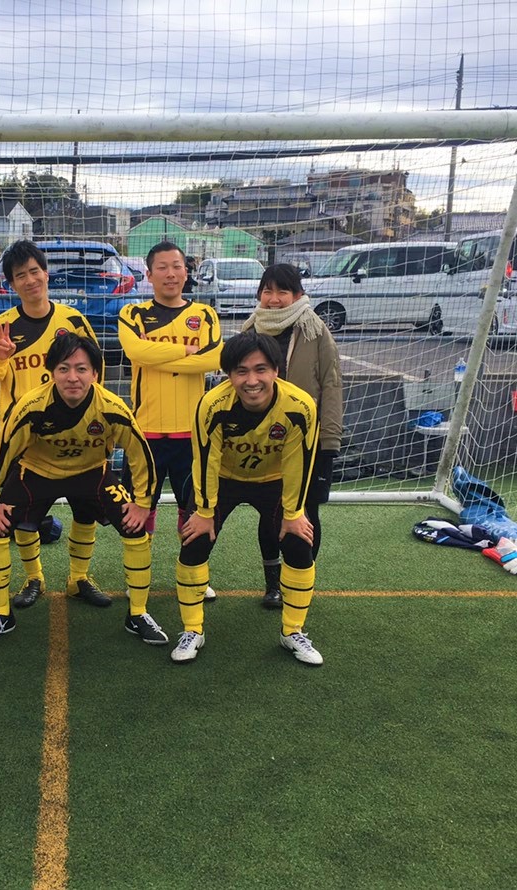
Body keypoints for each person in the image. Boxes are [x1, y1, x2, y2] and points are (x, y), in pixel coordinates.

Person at [0, 333, 168, 647]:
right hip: (37, 472)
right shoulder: (32, 406)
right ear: (52, 372)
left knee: (135, 529)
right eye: (64, 369)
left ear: (95, 373)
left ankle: (136, 612)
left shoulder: (111, 407)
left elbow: (140, 453)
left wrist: (143, 503)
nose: (72, 377)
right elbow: (2, 451)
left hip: (91, 473)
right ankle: (3, 612)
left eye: (81, 369)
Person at [171, 331, 323, 666]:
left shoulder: (300, 407)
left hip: (273, 481)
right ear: (229, 375)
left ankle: (292, 631)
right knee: (194, 541)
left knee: (299, 544)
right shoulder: (212, 405)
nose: (251, 381)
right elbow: (205, 461)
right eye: (241, 371)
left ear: (276, 371)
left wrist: (294, 512)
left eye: (260, 369)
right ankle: (193, 630)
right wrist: (205, 511)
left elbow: (299, 463)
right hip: (224, 480)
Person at [0, 239, 101, 610]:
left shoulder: (73, 321)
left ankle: (79, 578)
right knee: (23, 515)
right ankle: (34, 578)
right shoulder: (2, 327)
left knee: (85, 509)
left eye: (35, 272)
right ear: (12, 284)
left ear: (46, 274)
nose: (30, 280)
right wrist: (1, 358)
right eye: (21, 276)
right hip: (23, 437)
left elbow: (94, 369)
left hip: (74, 433)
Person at [117, 241, 223, 599]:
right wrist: (185, 351)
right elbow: (135, 350)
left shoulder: (204, 315)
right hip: (145, 433)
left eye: (177, 266)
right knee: (138, 511)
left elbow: (213, 359)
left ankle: (193, 575)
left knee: (192, 510)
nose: (171, 273)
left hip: (190, 433)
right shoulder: (133, 314)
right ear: (149, 275)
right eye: (162, 267)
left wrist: (157, 355)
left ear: (186, 272)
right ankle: (138, 579)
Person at [241, 263, 343, 608]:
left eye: (282, 291)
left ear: (298, 295)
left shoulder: (315, 331)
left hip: (307, 440)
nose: (273, 299)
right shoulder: (250, 331)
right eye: (267, 291)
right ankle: (273, 585)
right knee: (270, 511)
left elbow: (331, 385)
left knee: (306, 511)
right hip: (263, 441)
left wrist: (329, 440)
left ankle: (299, 581)